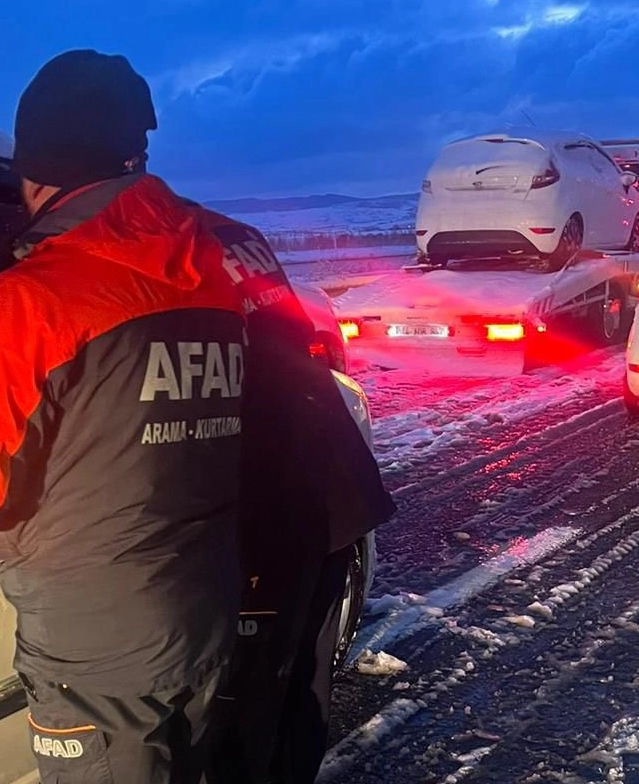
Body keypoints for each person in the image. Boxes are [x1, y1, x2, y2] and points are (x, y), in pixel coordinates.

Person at [0, 50, 247, 784]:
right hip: (199, 613)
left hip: (94, 654)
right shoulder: (209, 276)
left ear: (37, 171)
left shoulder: (34, 300)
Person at [185, 209, 396, 783]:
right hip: (321, 496)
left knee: (247, 712)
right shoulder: (233, 236)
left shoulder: (153, 251)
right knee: (298, 688)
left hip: (266, 509)